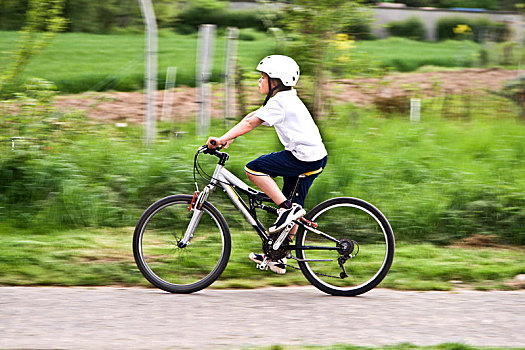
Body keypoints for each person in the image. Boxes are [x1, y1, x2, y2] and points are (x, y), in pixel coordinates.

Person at [206, 55, 327, 274]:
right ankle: (279, 256)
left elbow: (251, 122)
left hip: (302, 158)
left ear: (276, 81)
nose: (259, 81)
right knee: (294, 209)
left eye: (263, 77)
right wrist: (230, 136)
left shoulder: (280, 102)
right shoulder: (284, 98)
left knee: (253, 169)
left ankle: (285, 209)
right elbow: (253, 115)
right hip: (312, 157)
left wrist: (222, 139)